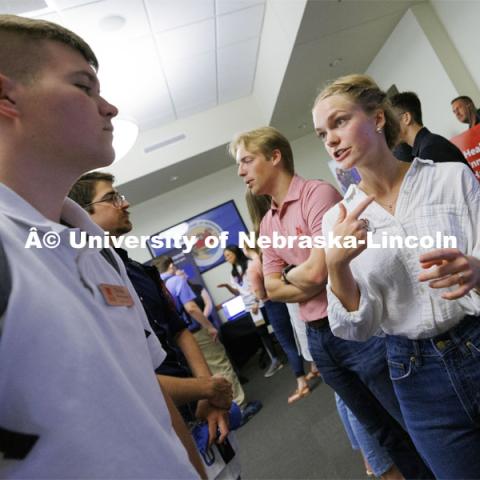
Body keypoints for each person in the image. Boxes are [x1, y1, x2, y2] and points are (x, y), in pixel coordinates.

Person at [0, 14, 201, 478]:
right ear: (6, 96)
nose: (109, 108)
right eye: (83, 86)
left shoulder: (98, 248)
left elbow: (147, 397)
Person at [229, 126, 433, 478]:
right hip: (319, 339)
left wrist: (294, 275)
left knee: (411, 422)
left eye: (247, 161)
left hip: (354, 330)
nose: (240, 171)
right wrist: (300, 274)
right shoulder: (266, 223)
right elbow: (270, 290)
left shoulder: (317, 195)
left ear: (275, 157)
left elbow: (318, 275)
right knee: (380, 432)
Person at [314, 73, 480, 478]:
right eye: (322, 133)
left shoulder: (448, 178)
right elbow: (356, 326)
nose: (331, 139)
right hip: (415, 374)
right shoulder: (337, 222)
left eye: (338, 122)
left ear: (377, 118)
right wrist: (336, 265)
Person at [68, 172, 234, 445]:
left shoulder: (142, 272)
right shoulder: (84, 282)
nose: (124, 204)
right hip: (154, 420)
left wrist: (207, 394)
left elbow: (180, 332)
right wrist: (206, 387)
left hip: (198, 402)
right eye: (112, 198)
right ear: (82, 215)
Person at [156, 255, 262, 425]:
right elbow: (191, 308)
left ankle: (224, 410)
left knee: (206, 373)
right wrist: (209, 326)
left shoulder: (157, 286)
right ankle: (239, 408)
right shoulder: (176, 281)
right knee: (221, 364)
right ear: (171, 266)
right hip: (195, 331)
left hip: (178, 341)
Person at [244, 242, 310, 403]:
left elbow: (260, 294)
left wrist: (255, 293)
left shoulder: (253, 267)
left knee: (288, 344)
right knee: (302, 331)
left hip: (273, 304)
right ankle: (315, 367)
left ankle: (301, 382)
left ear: (246, 248)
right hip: (288, 297)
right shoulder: (271, 255)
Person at [218, 245, 284, 378]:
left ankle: (290, 352)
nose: (227, 259)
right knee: (262, 333)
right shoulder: (233, 273)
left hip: (260, 304)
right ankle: (275, 360)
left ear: (236, 253)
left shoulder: (249, 265)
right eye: (225, 257)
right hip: (251, 309)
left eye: (228, 255)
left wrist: (256, 302)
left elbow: (256, 284)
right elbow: (238, 292)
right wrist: (227, 287)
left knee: (278, 326)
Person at [391, 91, 471, 168]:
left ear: (406, 118)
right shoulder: (427, 146)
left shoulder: (429, 150)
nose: (388, 127)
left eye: (391, 120)